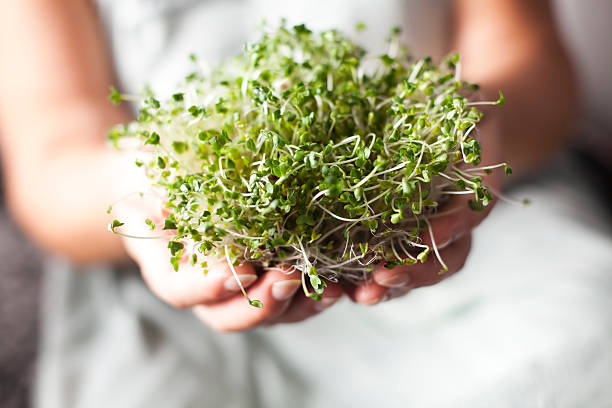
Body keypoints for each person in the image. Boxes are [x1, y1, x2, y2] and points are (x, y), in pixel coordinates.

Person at [2, 1, 609, 407]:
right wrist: (135, 184)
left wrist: (474, 127)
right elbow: (52, 159)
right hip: (173, 280)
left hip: (477, 229)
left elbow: (540, 80)